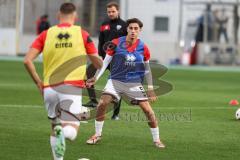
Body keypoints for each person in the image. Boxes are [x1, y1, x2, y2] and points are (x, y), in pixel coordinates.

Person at [24, 3, 102, 160]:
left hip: (49, 89)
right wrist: (97, 67)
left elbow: (27, 60)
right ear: (75, 16)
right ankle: (64, 131)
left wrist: (39, 82)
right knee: (71, 131)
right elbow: (97, 62)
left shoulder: (46, 34)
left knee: (55, 126)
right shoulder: (82, 34)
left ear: (59, 15)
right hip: (70, 87)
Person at [85, 18, 165, 148]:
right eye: (131, 28)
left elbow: (147, 68)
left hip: (133, 83)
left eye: (136, 29)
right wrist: (96, 77)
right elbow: (105, 62)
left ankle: (157, 140)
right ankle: (97, 135)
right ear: (127, 29)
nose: (133, 31)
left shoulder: (143, 47)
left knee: (148, 111)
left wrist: (150, 87)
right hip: (115, 80)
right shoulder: (116, 43)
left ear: (140, 30)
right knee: (102, 103)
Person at [84, 1, 127, 120]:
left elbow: (126, 43)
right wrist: (99, 56)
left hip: (117, 59)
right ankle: (93, 100)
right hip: (103, 58)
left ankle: (116, 114)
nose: (111, 13)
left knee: (118, 84)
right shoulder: (104, 24)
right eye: (109, 12)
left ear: (118, 11)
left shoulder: (124, 25)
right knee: (88, 74)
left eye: (113, 11)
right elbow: (100, 41)